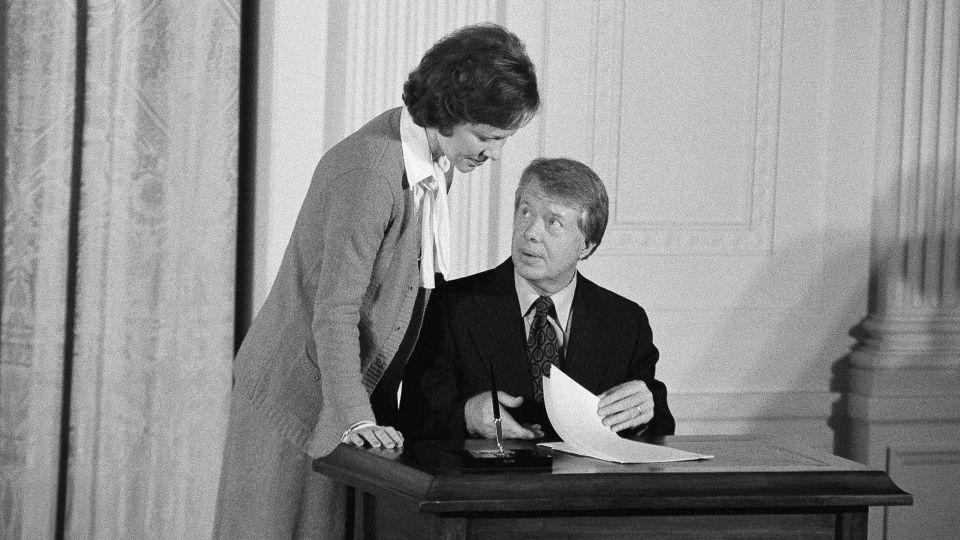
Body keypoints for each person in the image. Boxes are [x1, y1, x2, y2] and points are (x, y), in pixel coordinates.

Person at [214, 24, 539, 539]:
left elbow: (413, 294)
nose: (494, 155)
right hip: (296, 397)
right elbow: (336, 312)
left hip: (349, 393)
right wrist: (356, 420)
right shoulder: (371, 175)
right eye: (488, 137)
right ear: (449, 113)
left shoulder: (436, 162)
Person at [398, 158, 675, 442]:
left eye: (553, 222)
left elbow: (659, 430)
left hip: (583, 484)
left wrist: (644, 413)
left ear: (587, 245)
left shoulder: (625, 322)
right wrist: (466, 414)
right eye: (526, 212)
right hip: (481, 483)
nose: (530, 233)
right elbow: (413, 418)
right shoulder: (450, 306)